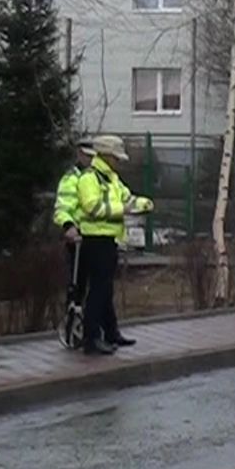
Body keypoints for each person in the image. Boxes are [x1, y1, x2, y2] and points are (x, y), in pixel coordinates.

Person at [73, 135, 152, 356]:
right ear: (106, 156)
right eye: (116, 158)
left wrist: (143, 203)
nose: (119, 162)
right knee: (99, 290)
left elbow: (127, 199)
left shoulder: (112, 179)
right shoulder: (90, 179)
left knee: (105, 289)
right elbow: (93, 207)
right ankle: (91, 338)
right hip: (95, 240)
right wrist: (124, 209)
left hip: (109, 240)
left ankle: (111, 332)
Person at [55, 140, 95, 337]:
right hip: (79, 237)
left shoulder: (98, 177)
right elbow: (63, 206)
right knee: (77, 284)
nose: (90, 159)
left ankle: (92, 325)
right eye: (87, 155)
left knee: (95, 285)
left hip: (97, 236)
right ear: (79, 154)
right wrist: (68, 226)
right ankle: (73, 325)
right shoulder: (72, 179)